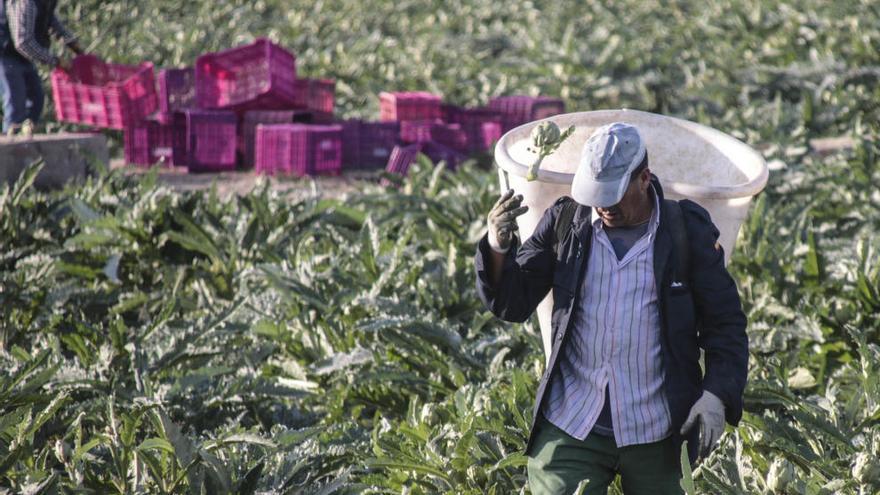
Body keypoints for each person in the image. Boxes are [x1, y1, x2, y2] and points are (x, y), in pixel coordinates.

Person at [474, 122, 748, 494]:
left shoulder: (686, 232)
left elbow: (726, 324)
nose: (603, 206)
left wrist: (716, 394)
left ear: (644, 179)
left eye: (614, 195)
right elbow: (512, 302)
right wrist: (497, 245)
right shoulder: (566, 224)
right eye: (595, 194)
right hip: (573, 420)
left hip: (657, 427)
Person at [0, 0, 82, 132]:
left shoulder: (44, 3)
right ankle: (11, 145)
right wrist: (55, 61)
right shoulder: (27, 3)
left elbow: (51, 21)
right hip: (5, 54)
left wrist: (74, 45)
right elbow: (23, 43)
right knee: (16, 104)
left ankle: (26, 139)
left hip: (22, 56)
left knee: (36, 100)